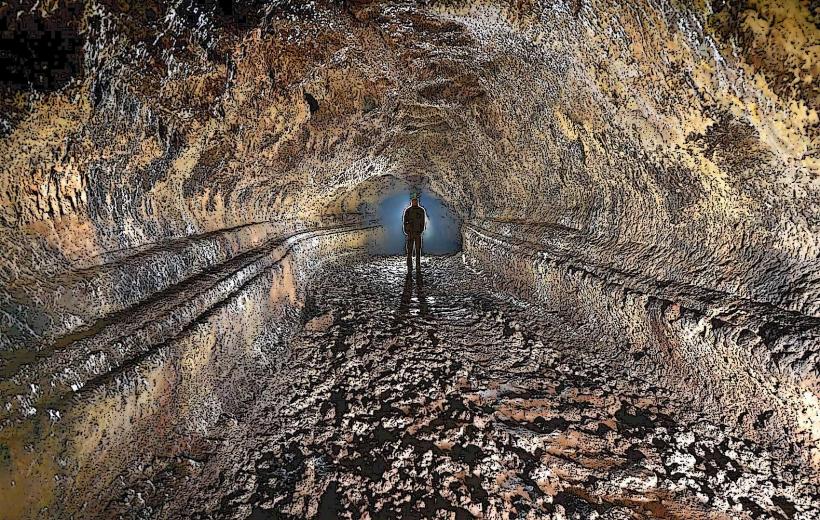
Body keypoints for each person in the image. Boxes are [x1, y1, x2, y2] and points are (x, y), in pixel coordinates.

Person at [403, 192, 426, 271]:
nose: (415, 202)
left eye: (416, 201)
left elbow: (423, 222)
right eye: (413, 201)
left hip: (417, 233)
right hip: (410, 233)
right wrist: (406, 231)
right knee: (409, 250)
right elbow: (405, 221)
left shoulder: (421, 210)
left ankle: (418, 265)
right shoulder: (408, 211)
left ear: (418, 201)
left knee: (418, 250)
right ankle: (409, 265)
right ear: (411, 201)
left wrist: (420, 231)